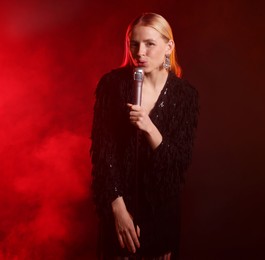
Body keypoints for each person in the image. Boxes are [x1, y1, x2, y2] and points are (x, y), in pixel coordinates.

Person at [90, 13, 199, 259]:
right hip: (119, 211)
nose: (140, 52)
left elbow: (177, 165)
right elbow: (103, 154)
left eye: (150, 44)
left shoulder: (185, 97)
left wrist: (150, 128)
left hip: (160, 215)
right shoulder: (112, 85)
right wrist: (118, 209)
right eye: (134, 44)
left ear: (168, 46)